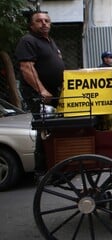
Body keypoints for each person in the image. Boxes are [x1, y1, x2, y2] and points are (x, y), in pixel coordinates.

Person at [14, 10, 66, 177]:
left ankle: (57, 165)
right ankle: (43, 171)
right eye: (39, 21)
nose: (44, 23)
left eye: (46, 20)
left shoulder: (50, 41)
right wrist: (41, 90)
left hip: (55, 93)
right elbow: (26, 68)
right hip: (39, 95)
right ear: (31, 25)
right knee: (45, 130)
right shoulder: (28, 41)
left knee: (57, 128)